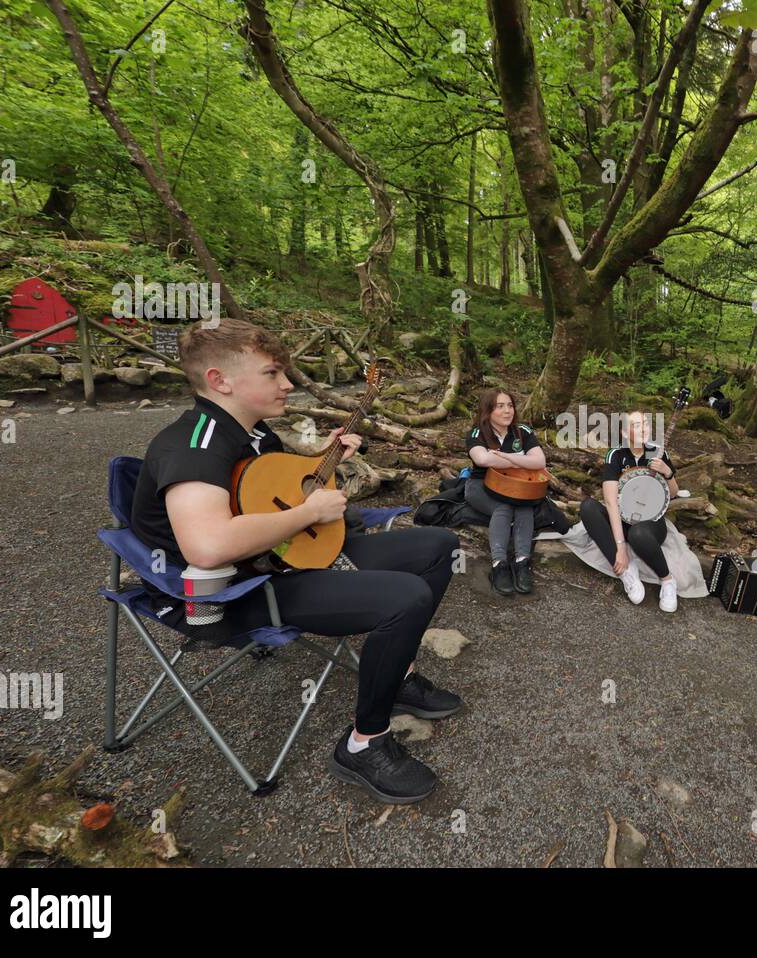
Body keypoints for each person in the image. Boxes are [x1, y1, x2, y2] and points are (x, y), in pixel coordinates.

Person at [131, 318, 461, 806]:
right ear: (220, 380)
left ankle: (398, 675)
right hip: (232, 593)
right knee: (404, 598)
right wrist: (310, 512)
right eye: (272, 373)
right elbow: (208, 546)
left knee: (436, 545)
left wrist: (323, 460)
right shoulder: (194, 446)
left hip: (285, 559)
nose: (287, 383)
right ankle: (363, 744)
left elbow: (272, 492)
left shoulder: (254, 433)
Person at [579, 410, 681, 612]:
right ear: (625, 433)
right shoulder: (615, 454)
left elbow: (674, 492)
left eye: (645, 423)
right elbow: (610, 500)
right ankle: (627, 571)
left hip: (650, 523)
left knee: (639, 534)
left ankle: (668, 581)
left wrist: (667, 472)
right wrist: (620, 548)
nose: (643, 428)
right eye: (635, 425)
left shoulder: (658, 452)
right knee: (588, 507)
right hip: (622, 519)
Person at [465, 388, 545, 596]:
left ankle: (522, 563)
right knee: (504, 507)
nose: (507, 411)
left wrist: (506, 457)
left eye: (510, 406)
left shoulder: (523, 431)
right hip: (480, 486)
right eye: (500, 406)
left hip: (516, 485)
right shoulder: (477, 433)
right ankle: (499, 565)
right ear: (488, 410)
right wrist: (522, 459)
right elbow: (482, 459)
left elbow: (539, 461)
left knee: (524, 505)